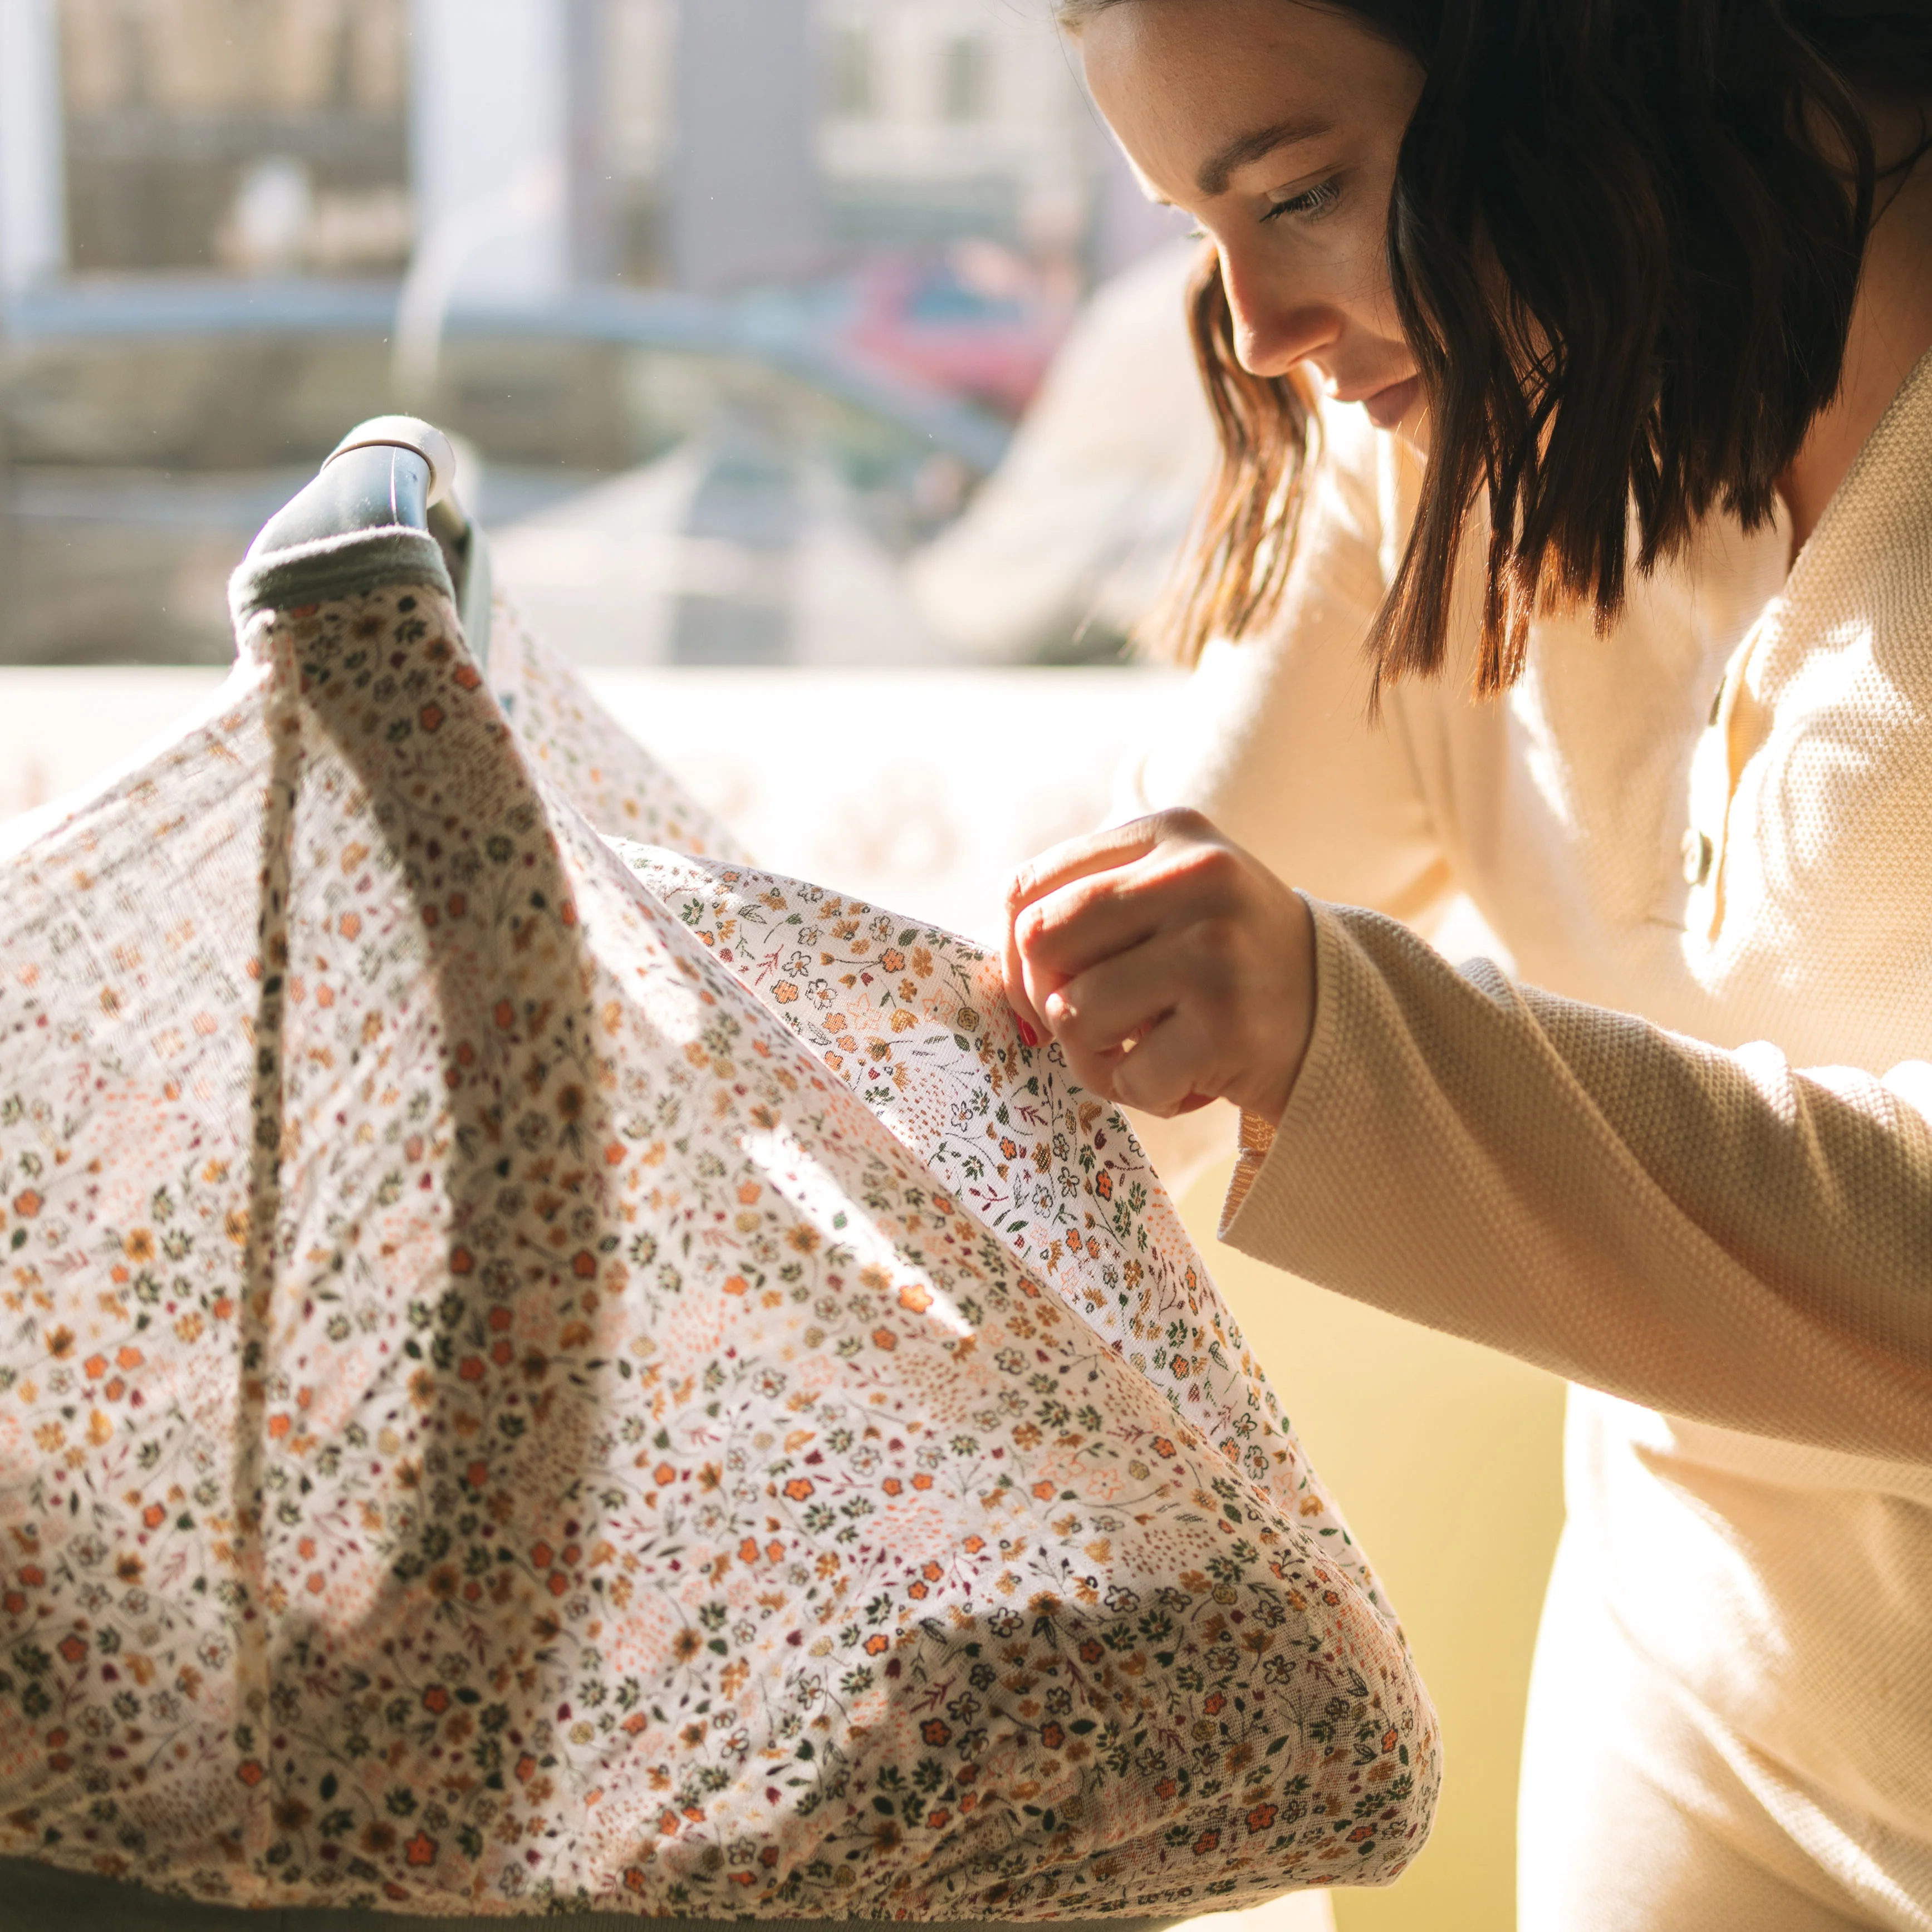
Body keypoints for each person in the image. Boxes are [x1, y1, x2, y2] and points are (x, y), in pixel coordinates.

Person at [1004, 3, 1932, 1928]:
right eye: (1202, 228)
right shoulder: (1470, 434)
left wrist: (1348, 1035)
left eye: (1306, 191)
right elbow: (1092, 1022)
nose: (1254, 328)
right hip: (1699, 1716)